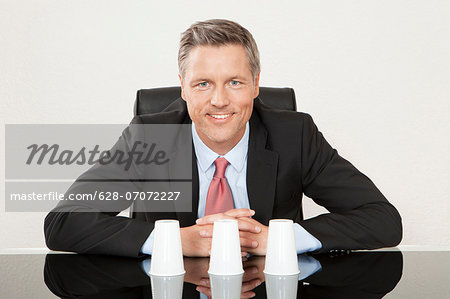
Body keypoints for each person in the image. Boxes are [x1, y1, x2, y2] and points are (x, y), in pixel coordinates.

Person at [44, 19, 402, 257]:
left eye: (234, 82)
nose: (219, 100)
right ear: (183, 87)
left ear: (256, 84)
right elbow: (63, 222)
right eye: (203, 84)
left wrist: (276, 239)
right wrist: (177, 241)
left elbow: (382, 219)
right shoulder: (150, 138)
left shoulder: (295, 134)